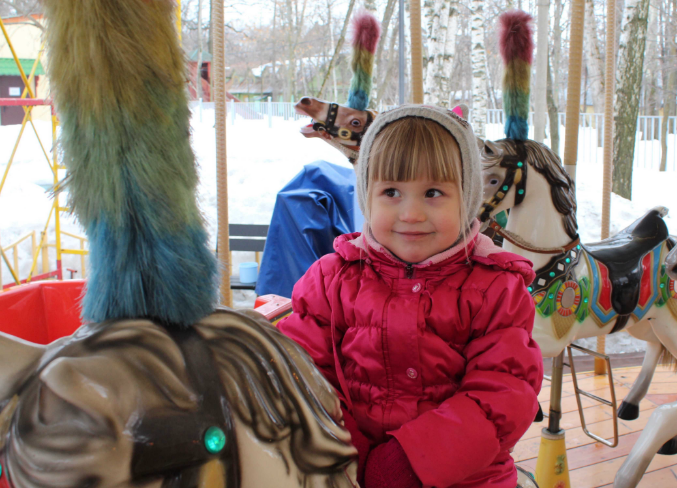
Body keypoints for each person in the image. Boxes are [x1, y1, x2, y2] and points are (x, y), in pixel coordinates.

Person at [277, 105, 542, 488]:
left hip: (467, 476)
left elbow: (503, 392)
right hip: (348, 468)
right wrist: (350, 452)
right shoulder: (331, 280)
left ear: (467, 198)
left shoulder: (496, 288)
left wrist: (410, 462)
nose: (411, 213)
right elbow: (303, 374)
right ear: (367, 196)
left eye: (433, 193)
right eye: (391, 192)